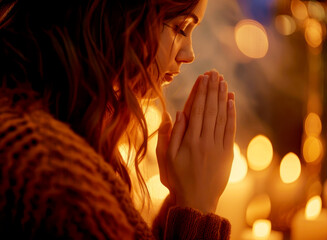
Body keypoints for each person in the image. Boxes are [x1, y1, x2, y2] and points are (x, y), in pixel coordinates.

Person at [0, 0, 236, 239]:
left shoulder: (49, 130)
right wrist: (198, 206)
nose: (189, 55)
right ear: (121, 15)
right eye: (181, 28)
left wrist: (181, 199)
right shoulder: (52, 172)